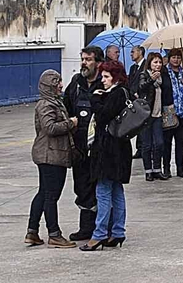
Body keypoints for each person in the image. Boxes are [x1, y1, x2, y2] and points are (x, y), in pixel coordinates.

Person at [82, 60, 132, 251]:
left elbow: (103, 116)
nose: (102, 80)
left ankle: (99, 234)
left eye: (106, 77)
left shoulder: (117, 94)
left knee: (103, 192)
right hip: (118, 149)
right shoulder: (121, 92)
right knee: (117, 191)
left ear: (115, 77)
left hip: (109, 150)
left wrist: (95, 99)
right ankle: (117, 232)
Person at [26, 69, 78, 248]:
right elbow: (50, 128)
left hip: (52, 153)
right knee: (51, 195)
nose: (61, 85)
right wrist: (71, 123)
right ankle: (54, 234)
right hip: (50, 155)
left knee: (43, 192)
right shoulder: (46, 105)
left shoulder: (54, 102)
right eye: (57, 82)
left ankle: (32, 231)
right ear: (50, 86)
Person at [64, 47, 103, 241]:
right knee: (81, 187)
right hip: (79, 147)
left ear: (98, 62)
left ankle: (103, 227)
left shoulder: (105, 82)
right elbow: (66, 108)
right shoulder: (76, 84)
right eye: (83, 59)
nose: (84, 63)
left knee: (100, 188)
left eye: (88, 59)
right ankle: (86, 228)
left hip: (100, 147)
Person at [136, 53, 170, 181]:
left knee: (159, 143)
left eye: (160, 62)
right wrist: (151, 80)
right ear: (149, 63)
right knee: (147, 144)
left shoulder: (163, 76)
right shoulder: (144, 75)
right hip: (146, 114)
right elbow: (141, 88)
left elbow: (167, 91)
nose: (158, 65)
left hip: (158, 114)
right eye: (155, 62)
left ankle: (157, 169)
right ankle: (148, 171)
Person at [163, 51, 183, 178]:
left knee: (180, 141)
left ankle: (180, 168)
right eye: (173, 57)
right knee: (167, 141)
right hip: (169, 111)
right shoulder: (164, 72)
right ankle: (166, 168)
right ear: (169, 59)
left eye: (178, 57)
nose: (176, 60)